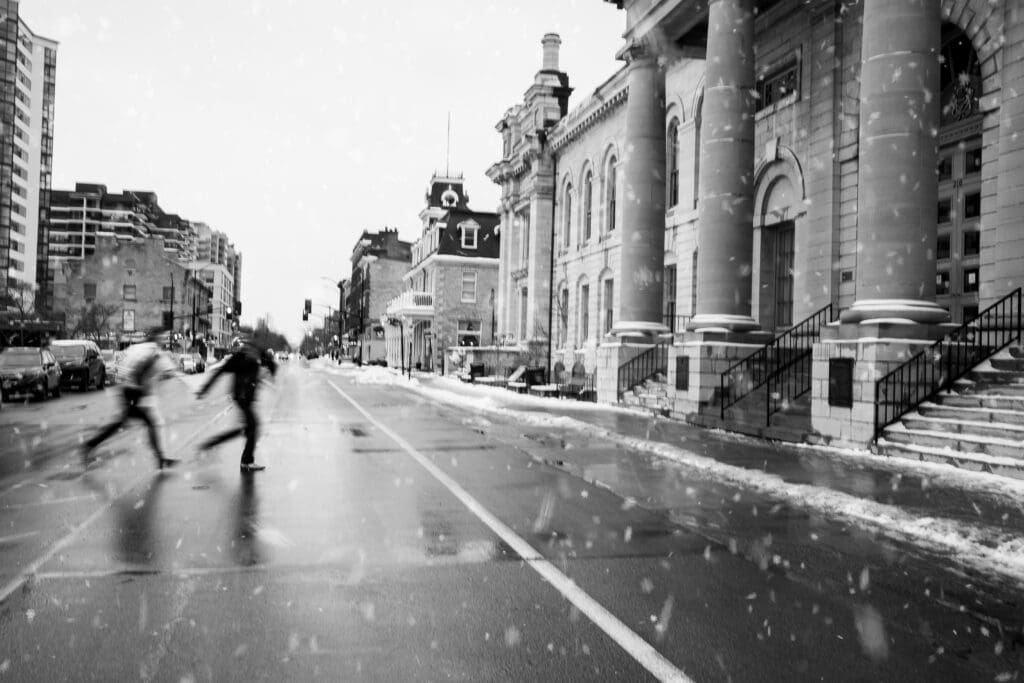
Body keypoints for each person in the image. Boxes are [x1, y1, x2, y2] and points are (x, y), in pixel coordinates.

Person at [81, 327, 179, 469]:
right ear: (155, 337)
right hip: (133, 391)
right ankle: (89, 445)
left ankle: (161, 458)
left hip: (127, 389)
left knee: (130, 422)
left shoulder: (136, 348)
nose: (164, 339)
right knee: (146, 422)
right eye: (163, 337)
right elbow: (155, 369)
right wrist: (137, 386)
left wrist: (122, 384)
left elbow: (119, 365)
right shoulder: (153, 351)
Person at [195, 334, 277, 472]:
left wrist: (268, 360)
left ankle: (212, 443)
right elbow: (219, 372)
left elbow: (272, 367)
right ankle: (246, 461)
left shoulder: (257, 357)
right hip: (241, 397)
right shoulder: (237, 359)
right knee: (253, 426)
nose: (251, 350)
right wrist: (204, 389)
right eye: (248, 347)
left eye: (252, 348)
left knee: (246, 429)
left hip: (247, 398)